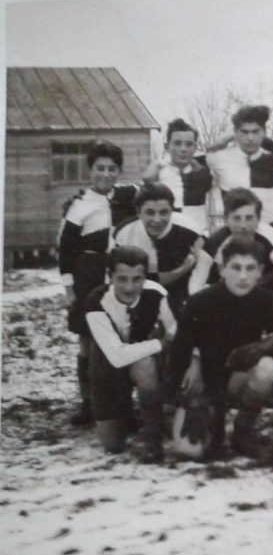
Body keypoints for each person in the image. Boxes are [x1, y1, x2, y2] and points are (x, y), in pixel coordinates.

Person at [167, 238, 273, 460]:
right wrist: (174, 401)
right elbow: (179, 351)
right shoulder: (200, 302)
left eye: (250, 268)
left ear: (260, 271)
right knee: (190, 451)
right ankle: (206, 422)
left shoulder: (267, 301)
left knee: (266, 367)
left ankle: (243, 430)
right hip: (206, 382)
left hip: (238, 378)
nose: (243, 276)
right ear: (222, 269)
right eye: (235, 268)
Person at [57, 141, 137, 427]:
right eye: (99, 168)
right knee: (88, 341)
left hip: (119, 273)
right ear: (90, 170)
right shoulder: (79, 206)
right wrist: (69, 289)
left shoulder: (128, 196)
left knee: (121, 335)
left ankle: (121, 403)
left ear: (119, 171)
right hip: (88, 275)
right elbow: (65, 251)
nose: (105, 174)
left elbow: (153, 184)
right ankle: (88, 404)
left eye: (111, 169)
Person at [83, 245, 177, 463]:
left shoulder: (156, 293)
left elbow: (176, 334)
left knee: (144, 363)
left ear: (145, 277)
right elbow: (116, 356)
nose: (129, 286)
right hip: (108, 366)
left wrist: (166, 348)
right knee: (113, 444)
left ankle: (152, 433)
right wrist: (159, 343)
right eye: (122, 279)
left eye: (137, 279)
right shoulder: (96, 301)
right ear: (110, 276)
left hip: (146, 363)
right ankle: (127, 413)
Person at [111, 182, 212, 318]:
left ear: (172, 210)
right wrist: (181, 270)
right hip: (141, 289)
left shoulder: (189, 228)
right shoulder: (124, 233)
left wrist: (194, 294)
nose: (157, 220)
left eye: (164, 212)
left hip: (181, 289)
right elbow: (123, 278)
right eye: (150, 212)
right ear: (138, 212)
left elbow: (205, 264)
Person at [204, 105, 273, 238]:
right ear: (235, 133)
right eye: (244, 132)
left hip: (272, 226)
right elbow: (188, 161)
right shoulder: (218, 158)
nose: (250, 138)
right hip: (237, 230)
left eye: (256, 132)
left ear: (264, 132)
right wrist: (220, 141)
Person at [204, 188, 273, 310]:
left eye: (249, 218)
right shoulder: (214, 244)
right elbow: (198, 283)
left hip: (267, 295)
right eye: (236, 218)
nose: (243, 226)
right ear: (226, 219)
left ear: (258, 219)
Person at [142, 118, 214, 234]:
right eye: (177, 143)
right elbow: (146, 179)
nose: (183, 149)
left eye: (189, 144)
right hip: (167, 236)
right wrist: (161, 162)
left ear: (195, 147)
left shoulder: (201, 173)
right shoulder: (159, 172)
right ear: (167, 146)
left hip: (196, 236)